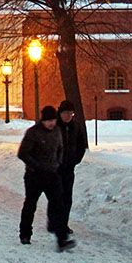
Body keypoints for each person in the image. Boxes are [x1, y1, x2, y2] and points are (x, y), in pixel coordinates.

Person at [17, 105, 75, 251]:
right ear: (43, 120)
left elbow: (60, 149)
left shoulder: (57, 132)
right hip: (34, 176)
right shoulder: (33, 133)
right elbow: (23, 153)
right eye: (48, 121)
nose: (51, 124)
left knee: (58, 205)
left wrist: (57, 163)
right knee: (30, 204)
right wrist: (36, 166)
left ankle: (62, 239)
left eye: (53, 120)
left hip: (52, 174)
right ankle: (25, 234)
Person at [53, 100, 87, 236]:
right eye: (66, 113)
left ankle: (63, 224)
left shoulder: (76, 127)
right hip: (55, 169)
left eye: (71, 113)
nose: (68, 116)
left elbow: (81, 144)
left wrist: (75, 159)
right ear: (60, 113)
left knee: (67, 197)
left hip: (69, 168)